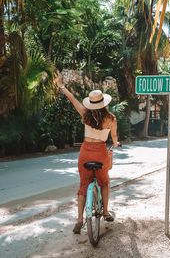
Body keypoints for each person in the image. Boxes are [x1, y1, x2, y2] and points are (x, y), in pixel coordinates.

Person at [54, 71, 119, 234]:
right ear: (104, 103)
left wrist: (61, 85)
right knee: (104, 182)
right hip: (100, 153)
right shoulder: (111, 119)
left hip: (85, 152)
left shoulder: (85, 114)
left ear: (90, 104)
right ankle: (105, 212)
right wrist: (116, 143)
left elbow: (72, 99)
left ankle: (79, 219)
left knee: (83, 185)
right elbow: (115, 138)